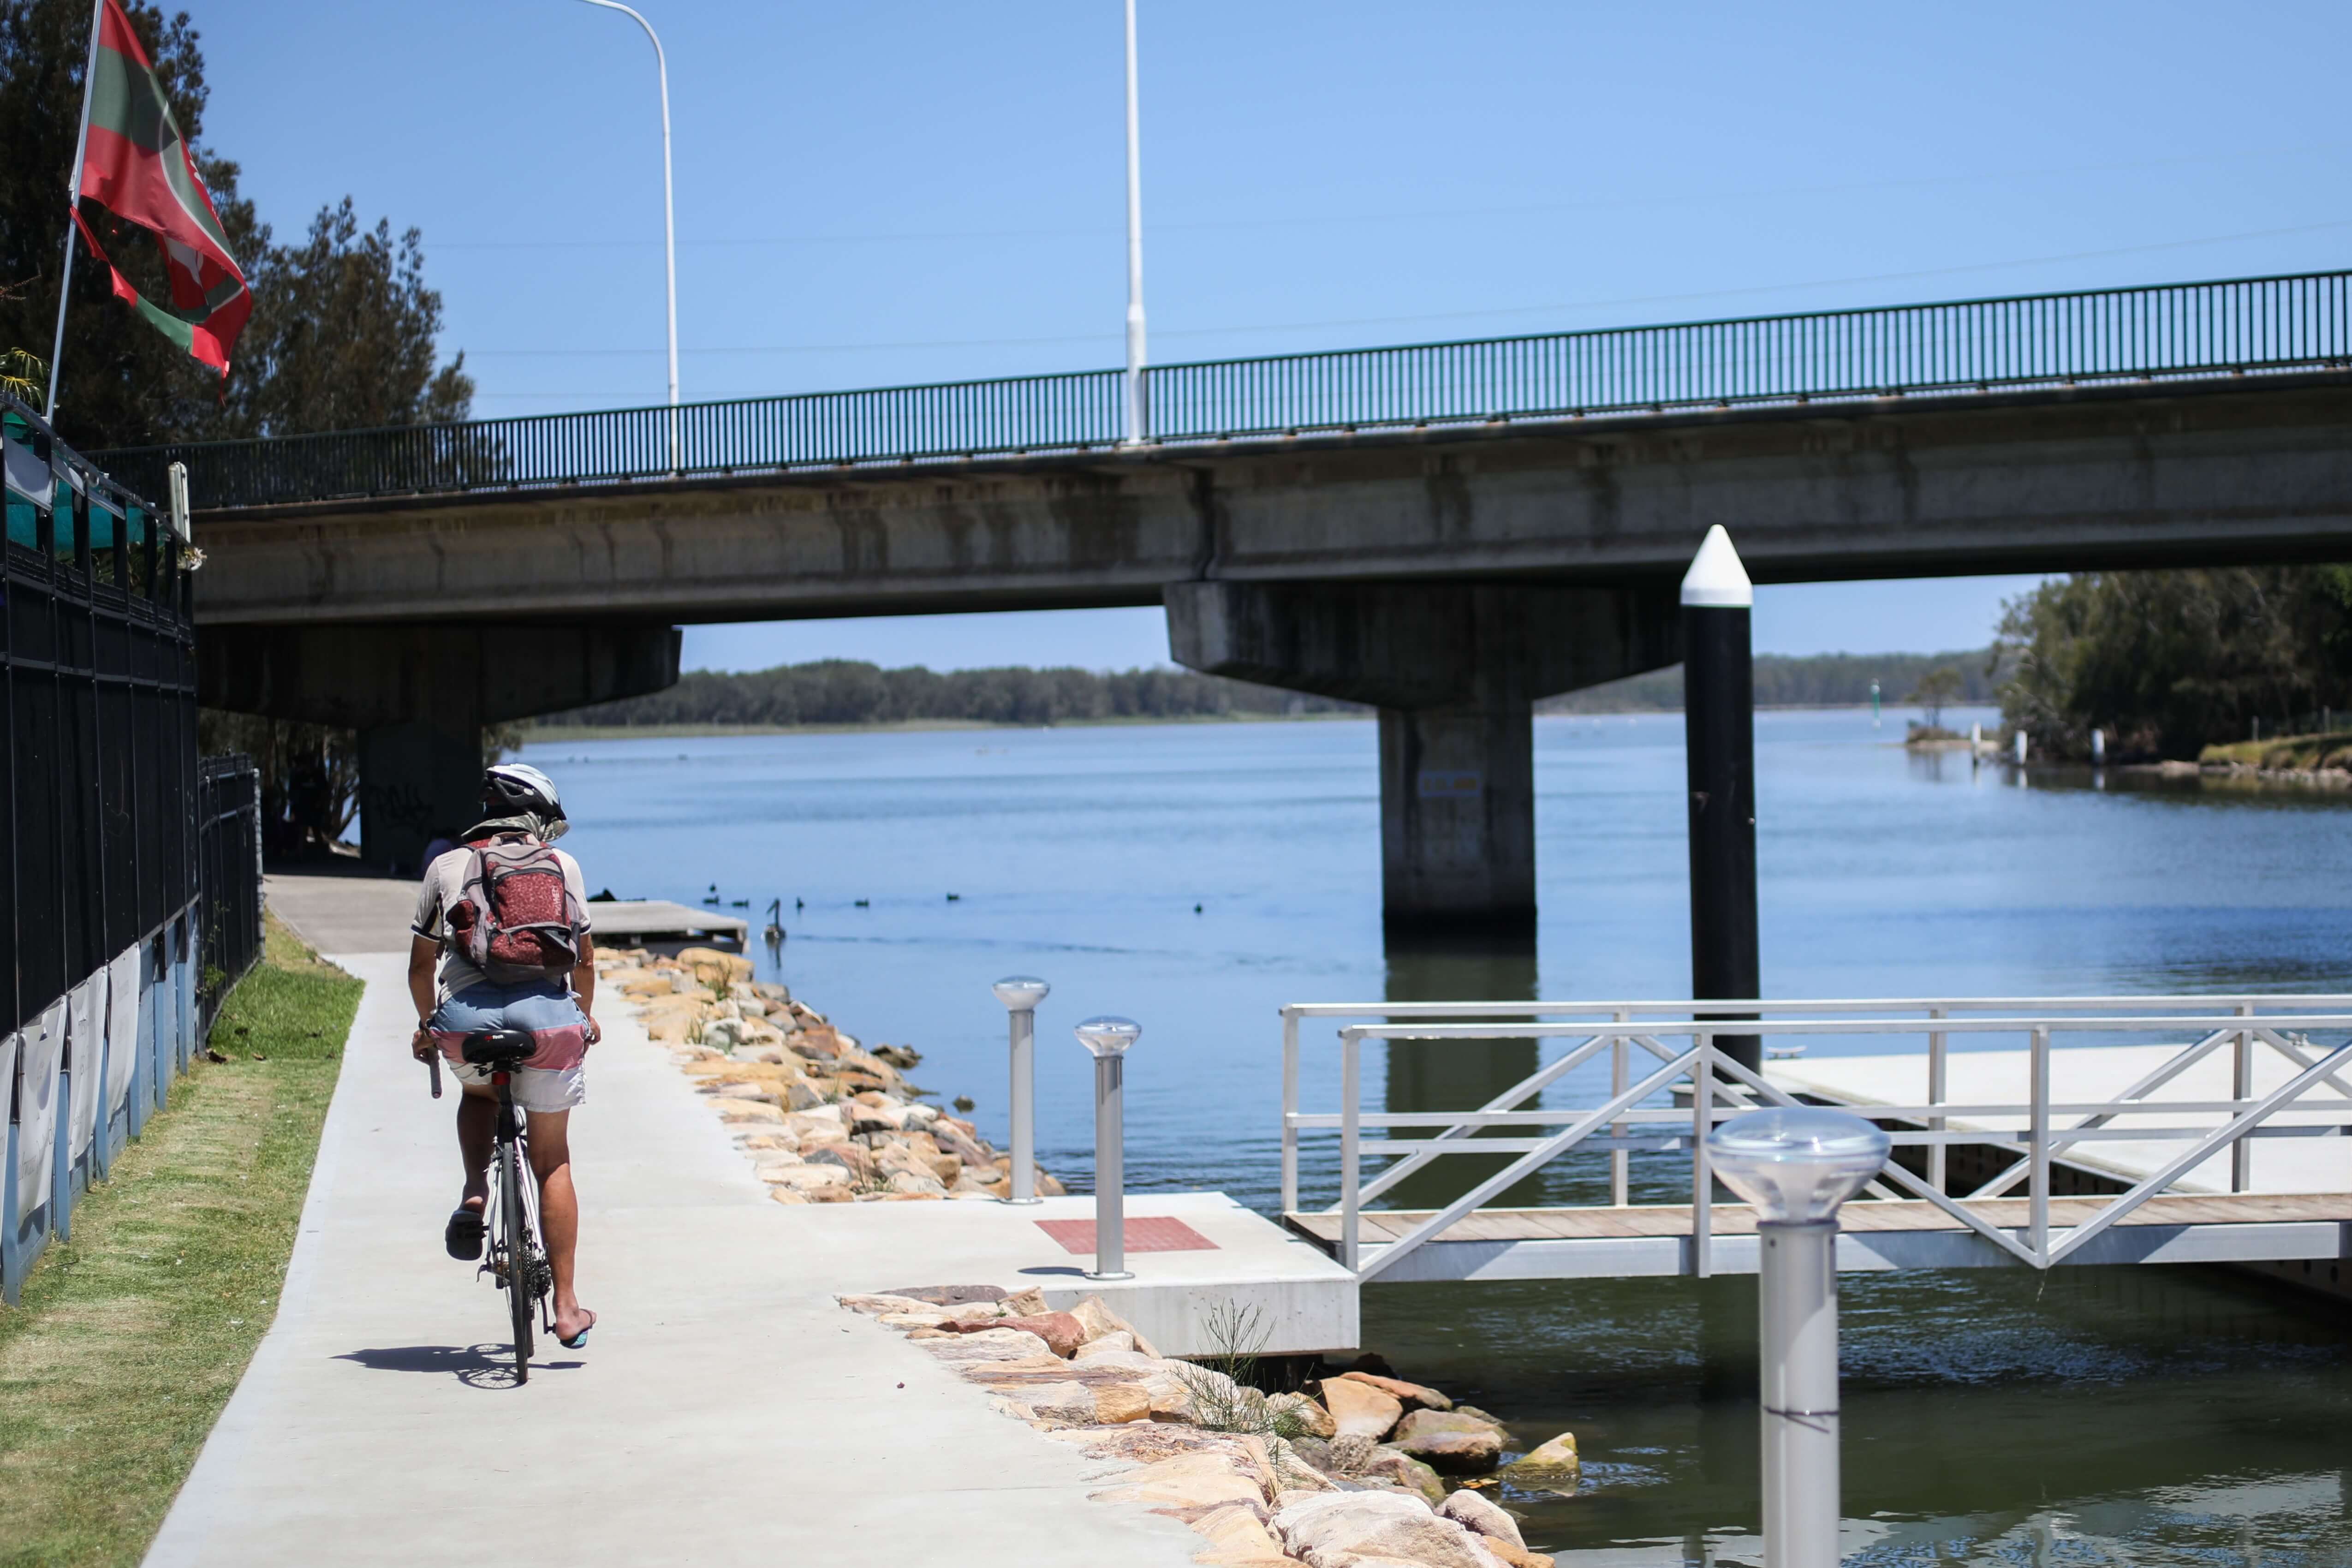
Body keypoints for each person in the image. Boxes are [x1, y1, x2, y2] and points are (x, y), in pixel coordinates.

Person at [408, 762, 601, 1347]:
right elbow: (585, 961)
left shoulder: (444, 866)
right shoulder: (563, 866)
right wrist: (584, 1018)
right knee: (553, 1162)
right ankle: (566, 1308)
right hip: (547, 1025)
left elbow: (420, 967)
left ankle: (475, 1188)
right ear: (538, 817)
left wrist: (427, 1027)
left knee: (476, 1090)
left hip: (468, 1026)